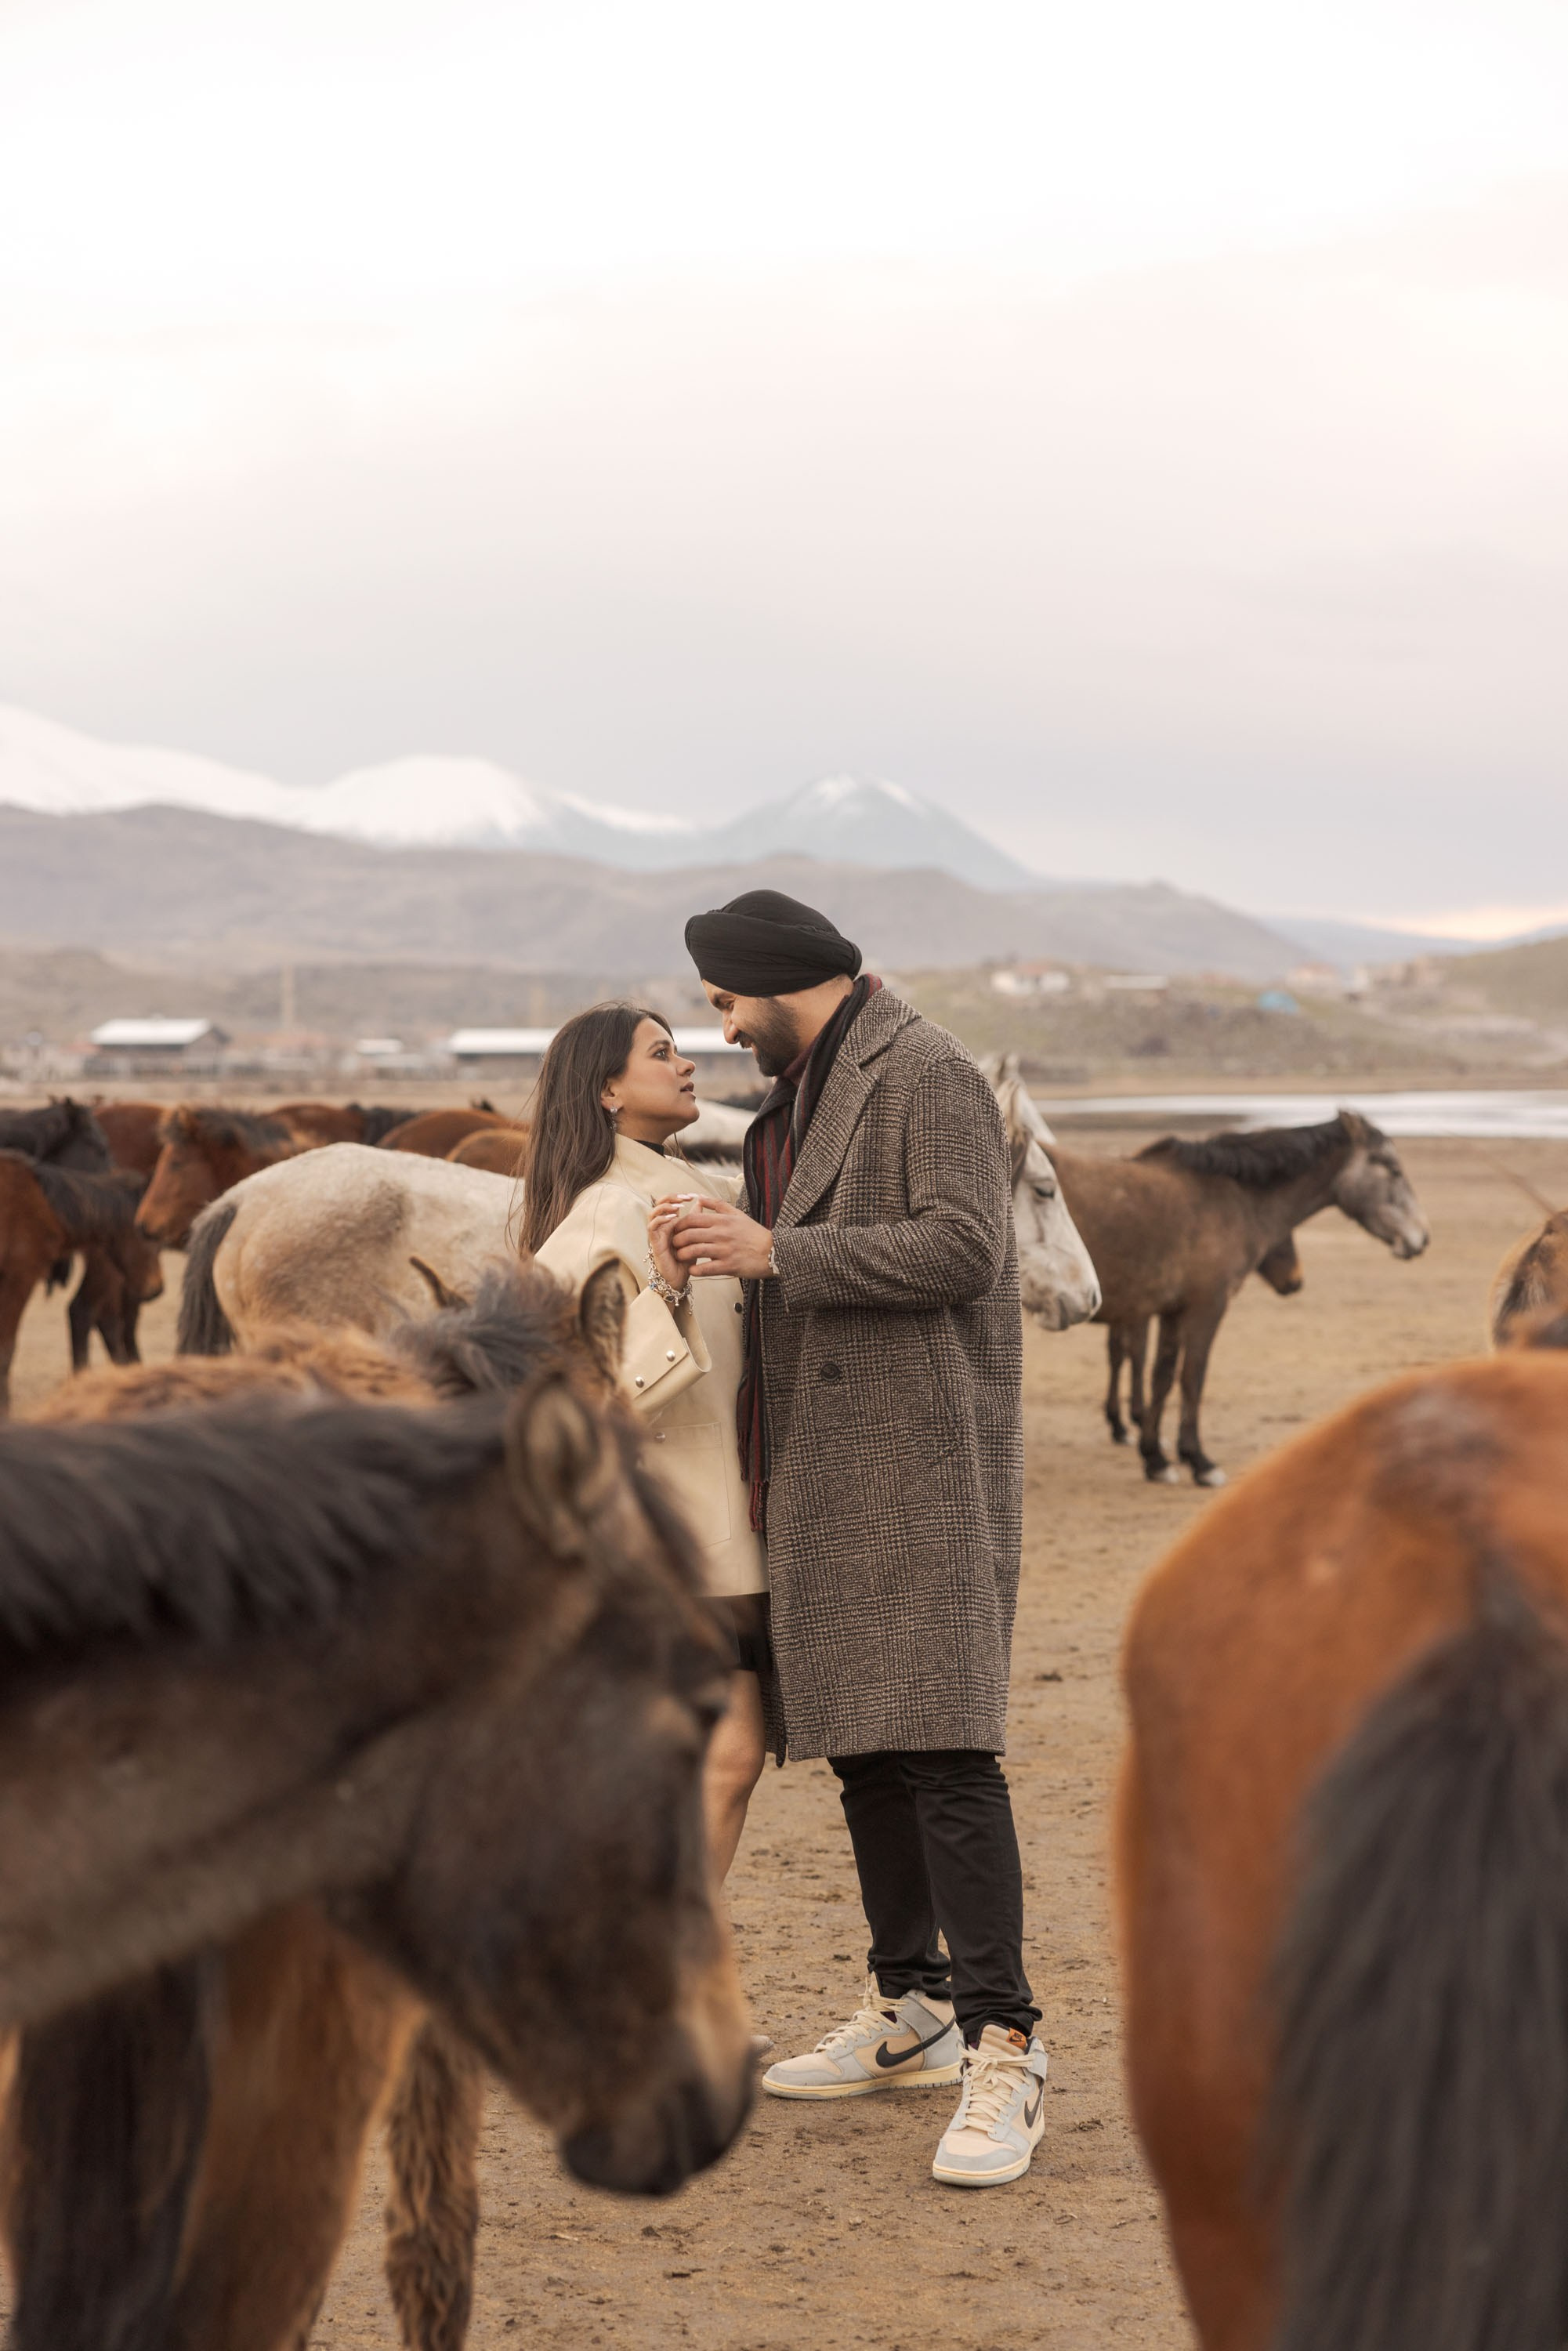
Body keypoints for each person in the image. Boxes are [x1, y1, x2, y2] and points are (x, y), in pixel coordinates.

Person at [663, 887, 1045, 2190]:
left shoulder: (921, 1070)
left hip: (918, 1465)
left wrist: (778, 1253)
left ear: (777, 980)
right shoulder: (806, 1090)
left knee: (944, 1751)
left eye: (724, 1001)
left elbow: (965, 1246)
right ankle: (914, 2008)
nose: (719, 1027)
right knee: (868, 1758)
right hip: (821, 1477)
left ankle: (1008, 2046)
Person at [523, 1002, 770, 1880]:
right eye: (663, 1054)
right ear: (607, 1090)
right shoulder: (601, 1216)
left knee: (724, 1760)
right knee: (717, 1759)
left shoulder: (690, 1192)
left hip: (722, 1531)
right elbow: (573, 1396)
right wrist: (662, 1289)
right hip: (669, 1540)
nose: (689, 1065)